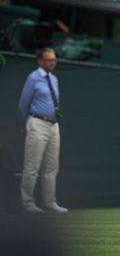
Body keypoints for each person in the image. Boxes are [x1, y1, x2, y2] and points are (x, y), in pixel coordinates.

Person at [18, 48, 68, 214]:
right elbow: (23, 105)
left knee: (52, 167)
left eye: (54, 59)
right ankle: (27, 202)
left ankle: (50, 203)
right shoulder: (33, 78)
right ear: (40, 61)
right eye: (49, 60)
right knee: (32, 166)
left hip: (54, 125)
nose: (52, 62)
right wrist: (27, 125)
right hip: (37, 123)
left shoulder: (54, 79)